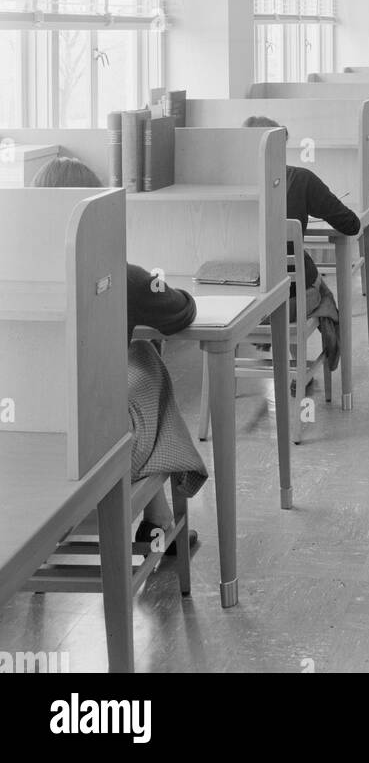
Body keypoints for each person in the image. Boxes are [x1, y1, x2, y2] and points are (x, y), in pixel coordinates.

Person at [31, 155, 205, 553]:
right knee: (146, 360)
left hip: (30, 448)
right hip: (99, 449)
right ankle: (159, 522)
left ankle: (158, 517)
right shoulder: (120, 274)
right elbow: (180, 313)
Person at [242, 116, 360, 370]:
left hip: (238, 306)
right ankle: (324, 309)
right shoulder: (301, 179)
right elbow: (351, 225)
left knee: (292, 274)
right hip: (285, 298)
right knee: (310, 282)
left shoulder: (228, 185)